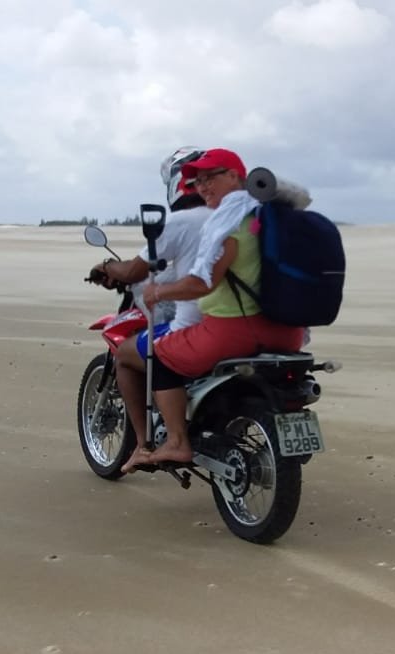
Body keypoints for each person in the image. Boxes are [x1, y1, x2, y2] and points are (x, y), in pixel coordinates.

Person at [121, 148, 305, 470]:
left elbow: (202, 283)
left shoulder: (232, 222)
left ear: (235, 176)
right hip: (288, 333)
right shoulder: (269, 218)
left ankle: (176, 442)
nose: (202, 187)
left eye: (210, 178)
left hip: (233, 331)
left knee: (159, 354)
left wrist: (158, 291)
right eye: (198, 181)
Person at [90, 146, 213, 465]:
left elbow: (135, 271)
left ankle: (147, 444)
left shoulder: (182, 221)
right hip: (245, 323)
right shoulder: (235, 219)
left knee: (126, 355)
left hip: (198, 327)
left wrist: (107, 267)